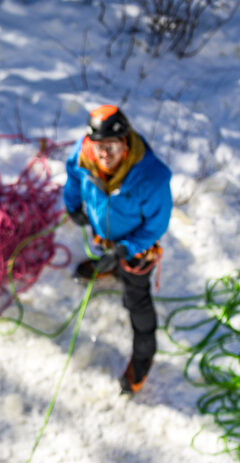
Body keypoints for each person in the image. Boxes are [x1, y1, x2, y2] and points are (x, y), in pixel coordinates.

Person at [63, 104, 173, 395]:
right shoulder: (83, 154)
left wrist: (128, 248)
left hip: (135, 245)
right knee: (106, 254)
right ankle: (109, 265)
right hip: (105, 234)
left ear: (125, 142)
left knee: (136, 300)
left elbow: (155, 226)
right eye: (98, 146)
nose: (104, 154)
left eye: (111, 146)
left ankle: (143, 358)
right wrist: (72, 204)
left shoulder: (152, 178)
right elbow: (73, 176)